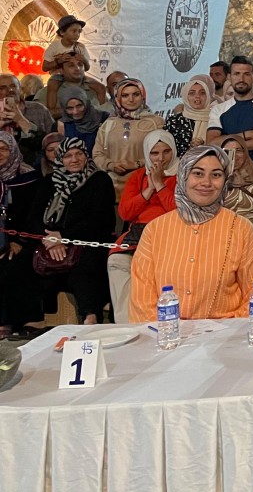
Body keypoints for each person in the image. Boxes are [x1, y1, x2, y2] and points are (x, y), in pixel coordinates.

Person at [128, 145, 253, 322]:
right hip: (165, 334)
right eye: (198, 173)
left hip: (227, 334)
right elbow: (142, 302)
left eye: (216, 175)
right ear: (183, 176)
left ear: (225, 180)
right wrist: (167, 332)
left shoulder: (241, 229)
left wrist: (227, 331)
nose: (206, 182)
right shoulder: (155, 230)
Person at [3, 138, 114, 336]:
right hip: (48, 241)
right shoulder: (49, 182)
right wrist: (50, 240)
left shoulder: (99, 180)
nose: (74, 159)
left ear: (86, 155)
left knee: (86, 267)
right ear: (60, 159)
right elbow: (33, 218)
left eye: (79, 154)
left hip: (87, 239)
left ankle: (90, 315)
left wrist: (64, 237)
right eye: (68, 155)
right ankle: (30, 319)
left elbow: (99, 219)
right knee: (17, 266)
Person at [109, 132, 179, 322]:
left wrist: (160, 184)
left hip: (171, 233)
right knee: (117, 260)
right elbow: (125, 213)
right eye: (155, 153)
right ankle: (126, 325)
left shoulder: (183, 174)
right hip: (138, 234)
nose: (161, 158)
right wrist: (149, 189)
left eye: (166, 152)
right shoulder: (138, 176)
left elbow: (178, 209)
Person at [206, 56, 253, 174]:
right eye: (237, 74)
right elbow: (211, 143)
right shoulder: (218, 110)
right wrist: (247, 134)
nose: (241, 79)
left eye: (246, 74)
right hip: (229, 175)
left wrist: (229, 144)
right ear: (229, 77)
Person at [93, 78, 165, 194]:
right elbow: (97, 153)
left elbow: (163, 155)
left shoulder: (156, 123)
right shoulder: (109, 123)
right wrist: (111, 165)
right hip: (111, 187)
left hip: (144, 185)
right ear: (117, 98)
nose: (131, 99)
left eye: (136, 94)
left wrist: (136, 164)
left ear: (143, 96)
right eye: (125, 95)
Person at [0, 132, 40, 338]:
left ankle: (9, 322)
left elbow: (34, 215)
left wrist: (18, 242)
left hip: (24, 240)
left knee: (11, 266)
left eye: (4, 149)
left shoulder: (28, 177)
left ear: (13, 151)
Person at [220, 134, 253, 237]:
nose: (234, 155)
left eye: (238, 150)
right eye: (228, 152)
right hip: (223, 238)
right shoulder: (216, 178)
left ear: (245, 151)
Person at [163, 75, 215, 157]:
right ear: (185, 97)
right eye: (192, 93)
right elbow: (167, 150)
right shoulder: (174, 121)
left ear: (207, 96)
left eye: (202, 93)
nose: (197, 96)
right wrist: (191, 149)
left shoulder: (215, 119)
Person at [55, 85, 108, 155]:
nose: (75, 112)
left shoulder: (104, 118)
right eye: (70, 108)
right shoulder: (62, 125)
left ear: (86, 103)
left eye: (79, 106)